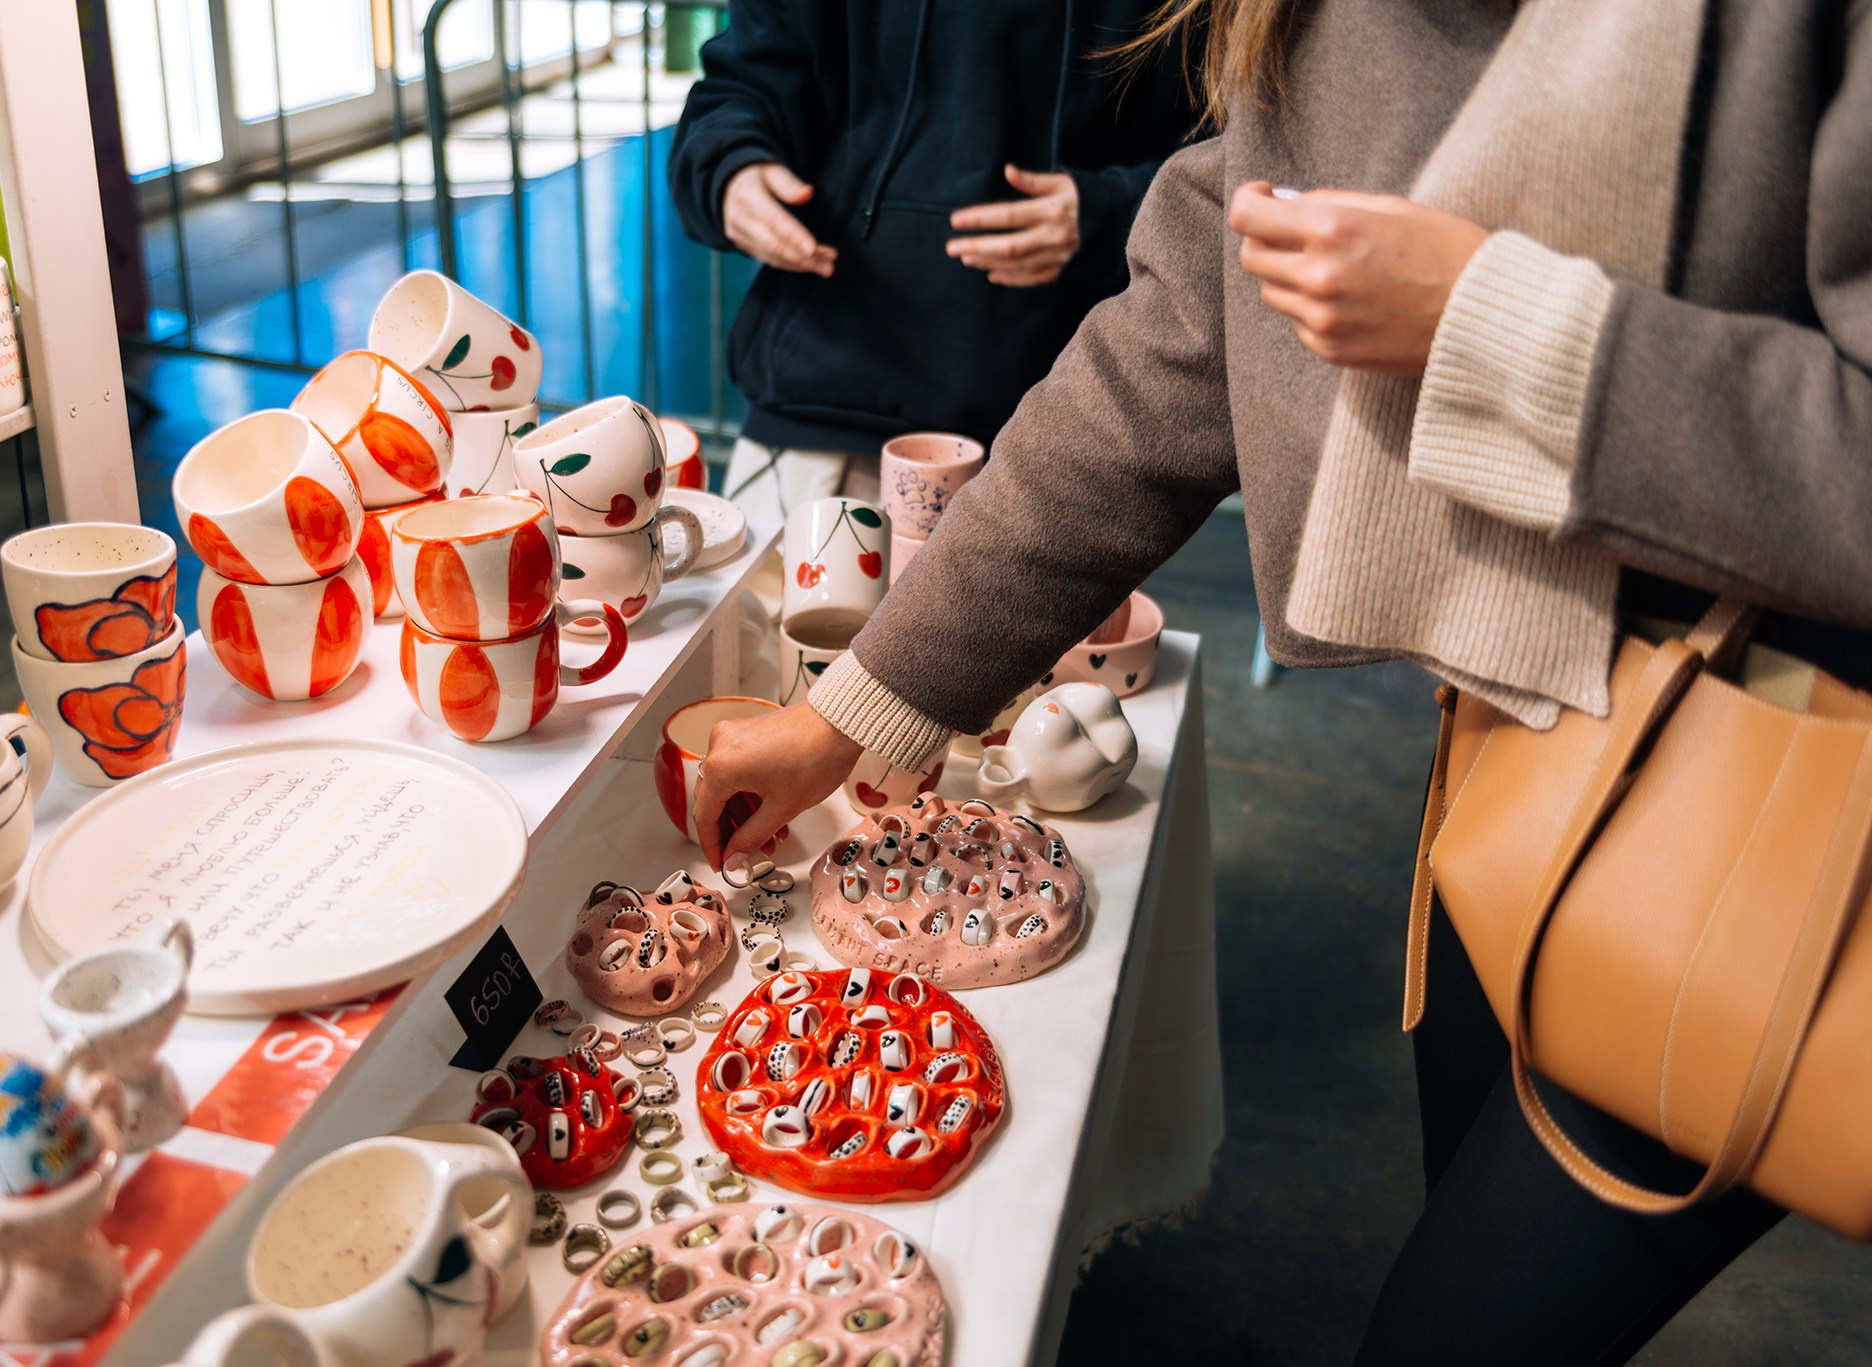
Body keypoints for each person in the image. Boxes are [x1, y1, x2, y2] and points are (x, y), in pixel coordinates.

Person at [690, 0, 1872, 1360]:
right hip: (1514, 754)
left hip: (1772, 796)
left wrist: (1503, 334)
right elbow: (1178, 342)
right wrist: (858, 705)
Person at [666, 0, 1198, 518]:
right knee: (765, 607)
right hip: (827, 408)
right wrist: (729, 168)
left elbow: (1232, 152)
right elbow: (743, 81)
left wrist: (1118, 213)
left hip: (1072, 423)